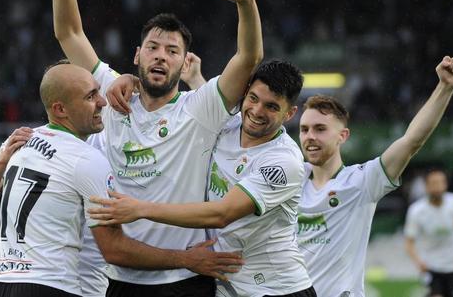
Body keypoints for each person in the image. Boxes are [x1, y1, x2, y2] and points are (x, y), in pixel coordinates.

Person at [52, 0, 263, 296]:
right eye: (152, 47)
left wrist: (246, 5)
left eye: (172, 51)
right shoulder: (112, 92)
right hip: (121, 278)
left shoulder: (201, 109)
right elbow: (69, 33)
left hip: (187, 276)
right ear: (137, 55)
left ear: (185, 63)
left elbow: (248, 59)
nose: (160, 56)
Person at [0, 62, 243, 297]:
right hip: (53, 286)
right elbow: (115, 250)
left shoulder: (21, 140)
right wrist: (187, 260)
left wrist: (1, 161)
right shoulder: (87, 159)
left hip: (2, 284)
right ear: (61, 109)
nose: (102, 101)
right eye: (90, 97)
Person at [90, 60, 316, 297]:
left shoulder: (283, 161)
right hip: (226, 286)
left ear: (289, 113)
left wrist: (141, 209)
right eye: (253, 98)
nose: (257, 111)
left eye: (271, 106)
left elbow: (222, 214)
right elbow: (211, 98)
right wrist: (134, 80)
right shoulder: (228, 125)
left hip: (277, 288)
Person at [297, 56, 453, 297]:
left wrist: (445, 87)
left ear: (343, 136)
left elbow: (412, 140)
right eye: (304, 129)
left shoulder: (362, 181)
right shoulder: (288, 180)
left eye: (320, 129)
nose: (310, 136)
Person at [404, 169, 453, 297]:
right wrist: (419, 262)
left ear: (445, 184)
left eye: (440, 182)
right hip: (432, 267)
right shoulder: (416, 210)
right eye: (434, 183)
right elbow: (409, 242)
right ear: (426, 186)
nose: (437, 186)